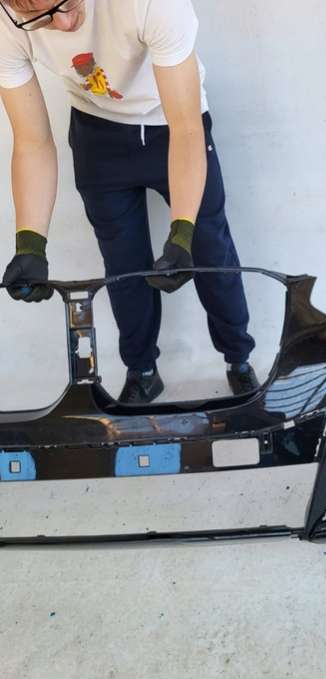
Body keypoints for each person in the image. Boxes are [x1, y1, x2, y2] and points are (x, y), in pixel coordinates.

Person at [0, 0, 259, 402]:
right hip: (98, 136)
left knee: (209, 248)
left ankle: (238, 359)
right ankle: (142, 371)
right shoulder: (7, 23)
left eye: (66, 3)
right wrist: (30, 245)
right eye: (42, 17)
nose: (63, 24)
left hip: (173, 126)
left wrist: (181, 233)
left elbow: (186, 127)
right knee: (123, 266)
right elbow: (32, 141)